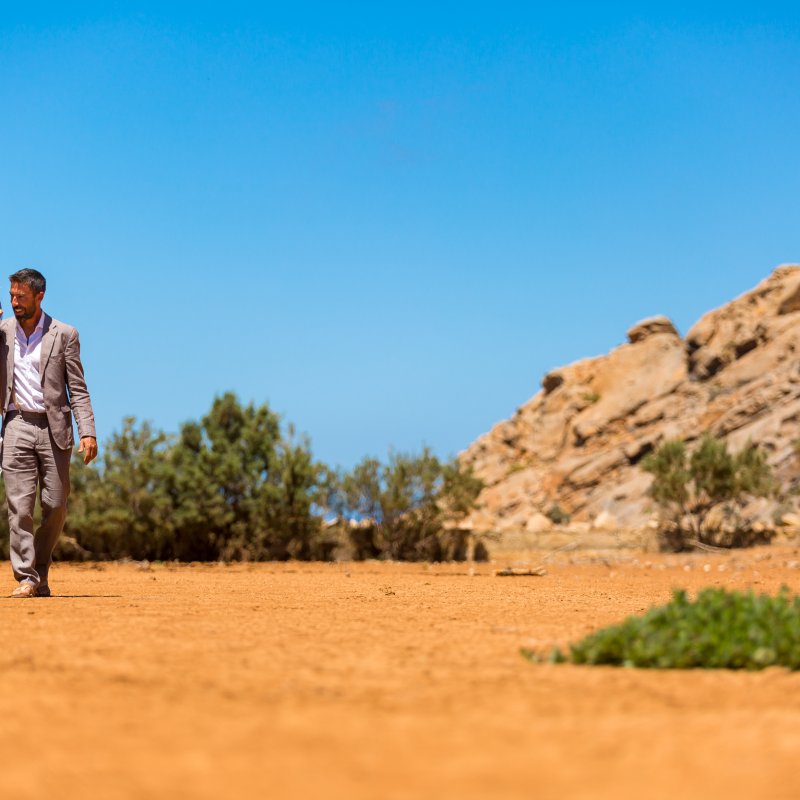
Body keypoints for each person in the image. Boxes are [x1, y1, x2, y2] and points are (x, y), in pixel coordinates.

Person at [0, 269, 97, 597]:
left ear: (39, 297)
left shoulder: (64, 334)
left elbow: (78, 389)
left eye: (21, 297)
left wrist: (88, 431)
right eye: (12, 296)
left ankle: (41, 569)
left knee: (55, 504)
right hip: (16, 424)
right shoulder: (2, 332)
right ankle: (26, 576)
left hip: (54, 428)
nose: (15, 303)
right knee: (20, 506)